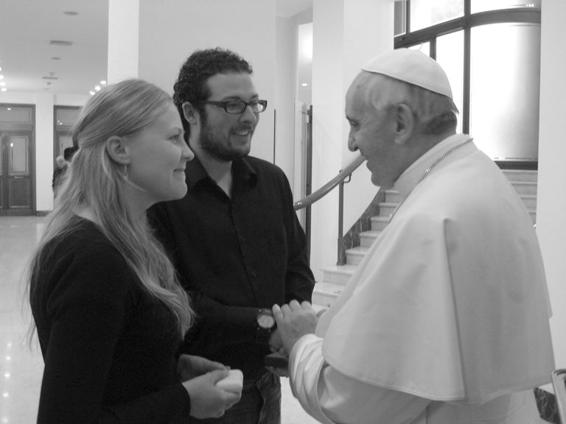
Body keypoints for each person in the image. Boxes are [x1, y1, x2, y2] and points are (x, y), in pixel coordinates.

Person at [272, 48, 555, 424]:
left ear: (401, 123)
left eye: (356, 124)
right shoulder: (479, 178)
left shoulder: (430, 217)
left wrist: (302, 342)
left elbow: (353, 404)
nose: (351, 144)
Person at [28, 79, 241, 424]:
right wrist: (184, 400)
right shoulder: (92, 259)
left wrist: (169, 369)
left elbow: (111, 367)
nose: (188, 152)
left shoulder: (120, 239)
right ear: (119, 149)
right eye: (174, 138)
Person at [148, 48, 315, 424]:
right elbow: (173, 299)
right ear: (190, 112)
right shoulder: (164, 191)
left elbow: (296, 266)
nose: (250, 117)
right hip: (203, 388)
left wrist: (290, 325)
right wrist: (269, 326)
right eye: (233, 105)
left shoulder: (272, 181)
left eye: (255, 104)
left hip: (268, 382)